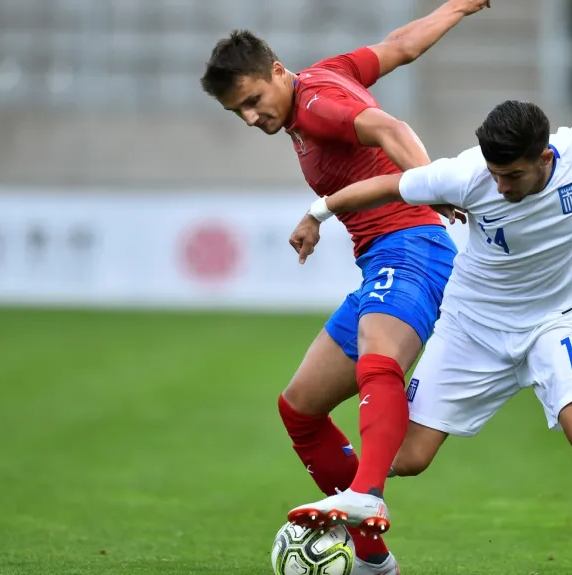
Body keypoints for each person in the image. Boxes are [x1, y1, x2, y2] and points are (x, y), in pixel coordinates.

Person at [286, 100, 572, 575]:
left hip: (554, 323)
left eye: (511, 175)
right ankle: (366, 528)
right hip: (472, 328)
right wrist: (317, 212)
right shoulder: (469, 174)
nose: (500, 186)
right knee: (405, 458)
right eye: (494, 174)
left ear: (545, 159)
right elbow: (388, 186)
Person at [199, 2, 490, 573]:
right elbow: (401, 45)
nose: (253, 119)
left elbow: (390, 128)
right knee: (300, 410)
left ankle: (367, 495)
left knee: (377, 362)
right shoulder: (326, 73)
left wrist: (430, 186)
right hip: (381, 259)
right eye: (240, 113)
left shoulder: (314, 107)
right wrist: (458, 6)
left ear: (277, 71)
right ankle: (375, 562)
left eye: (254, 101)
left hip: (411, 249)